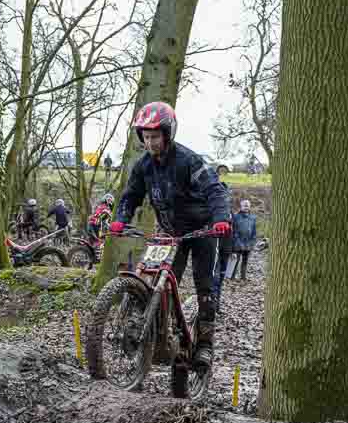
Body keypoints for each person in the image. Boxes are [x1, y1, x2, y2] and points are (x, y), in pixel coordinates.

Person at [109, 100, 230, 369]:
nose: (151, 143)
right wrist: (120, 220)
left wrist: (220, 218)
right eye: (146, 137)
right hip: (170, 232)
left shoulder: (188, 160)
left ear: (168, 133)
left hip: (202, 231)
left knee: (204, 286)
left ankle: (205, 346)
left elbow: (214, 189)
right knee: (154, 277)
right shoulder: (143, 166)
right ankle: (157, 332)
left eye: (155, 136)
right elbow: (130, 196)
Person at [213, 183, 233, 314]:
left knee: (220, 279)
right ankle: (211, 308)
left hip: (226, 249)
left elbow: (232, 232)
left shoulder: (230, 213)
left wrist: (233, 250)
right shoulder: (211, 211)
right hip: (213, 250)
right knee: (213, 279)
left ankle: (217, 306)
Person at [231, 198, 257, 280]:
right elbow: (234, 231)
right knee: (236, 261)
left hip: (248, 243)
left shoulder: (253, 217)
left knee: (245, 261)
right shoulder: (236, 217)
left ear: (250, 206)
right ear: (241, 206)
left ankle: (243, 277)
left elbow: (254, 231)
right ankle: (232, 277)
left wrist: (252, 242)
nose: (246, 207)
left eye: (248, 205)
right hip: (238, 242)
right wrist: (238, 243)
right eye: (244, 205)